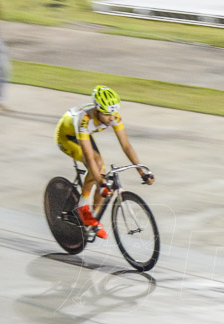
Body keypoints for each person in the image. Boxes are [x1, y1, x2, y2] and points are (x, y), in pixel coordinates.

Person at [54, 86, 154, 239]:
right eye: (107, 115)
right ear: (97, 110)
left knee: (101, 172)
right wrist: (100, 181)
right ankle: (83, 209)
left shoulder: (113, 115)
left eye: (113, 114)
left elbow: (126, 145)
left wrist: (142, 171)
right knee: (97, 166)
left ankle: (92, 217)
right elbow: (88, 156)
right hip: (66, 137)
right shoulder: (85, 120)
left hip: (82, 136)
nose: (111, 118)